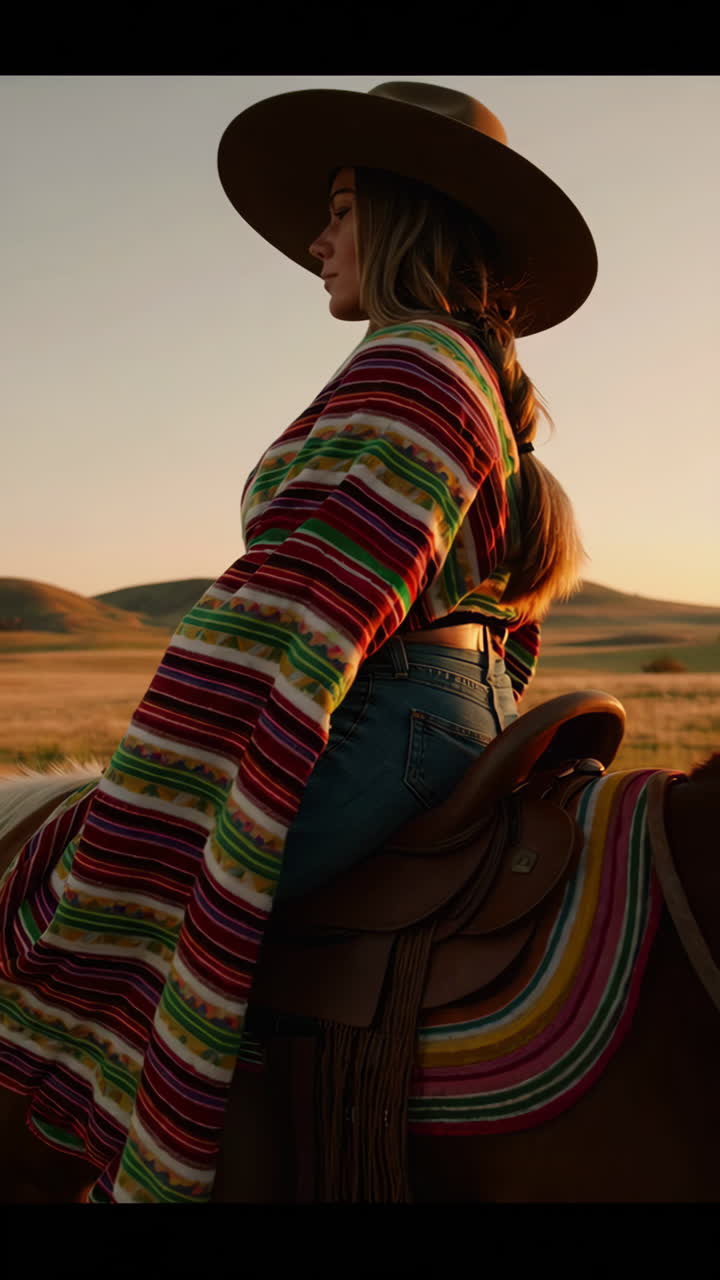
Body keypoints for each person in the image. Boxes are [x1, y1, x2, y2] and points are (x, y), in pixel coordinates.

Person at [0, 80, 597, 1204]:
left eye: (337, 208)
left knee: (141, 912)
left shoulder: (414, 360)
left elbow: (302, 609)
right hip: (454, 711)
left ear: (401, 209)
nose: (316, 241)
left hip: (386, 718)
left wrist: (169, 767)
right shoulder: (466, 372)